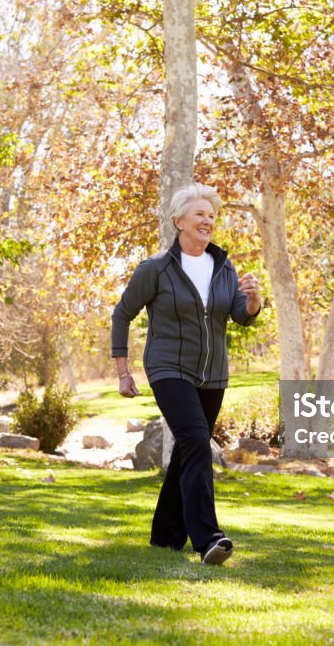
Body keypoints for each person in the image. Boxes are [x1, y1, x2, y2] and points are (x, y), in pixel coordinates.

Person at [111, 183, 261, 566]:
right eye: (199, 214)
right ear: (178, 221)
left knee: (188, 450)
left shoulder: (224, 267)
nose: (207, 221)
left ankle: (164, 537)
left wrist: (254, 302)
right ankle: (208, 538)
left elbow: (240, 316)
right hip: (168, 367)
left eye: (211, 216)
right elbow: (122, 314)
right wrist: (122, 371)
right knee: (196, 440)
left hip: (213, 373)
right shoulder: (156, 268)